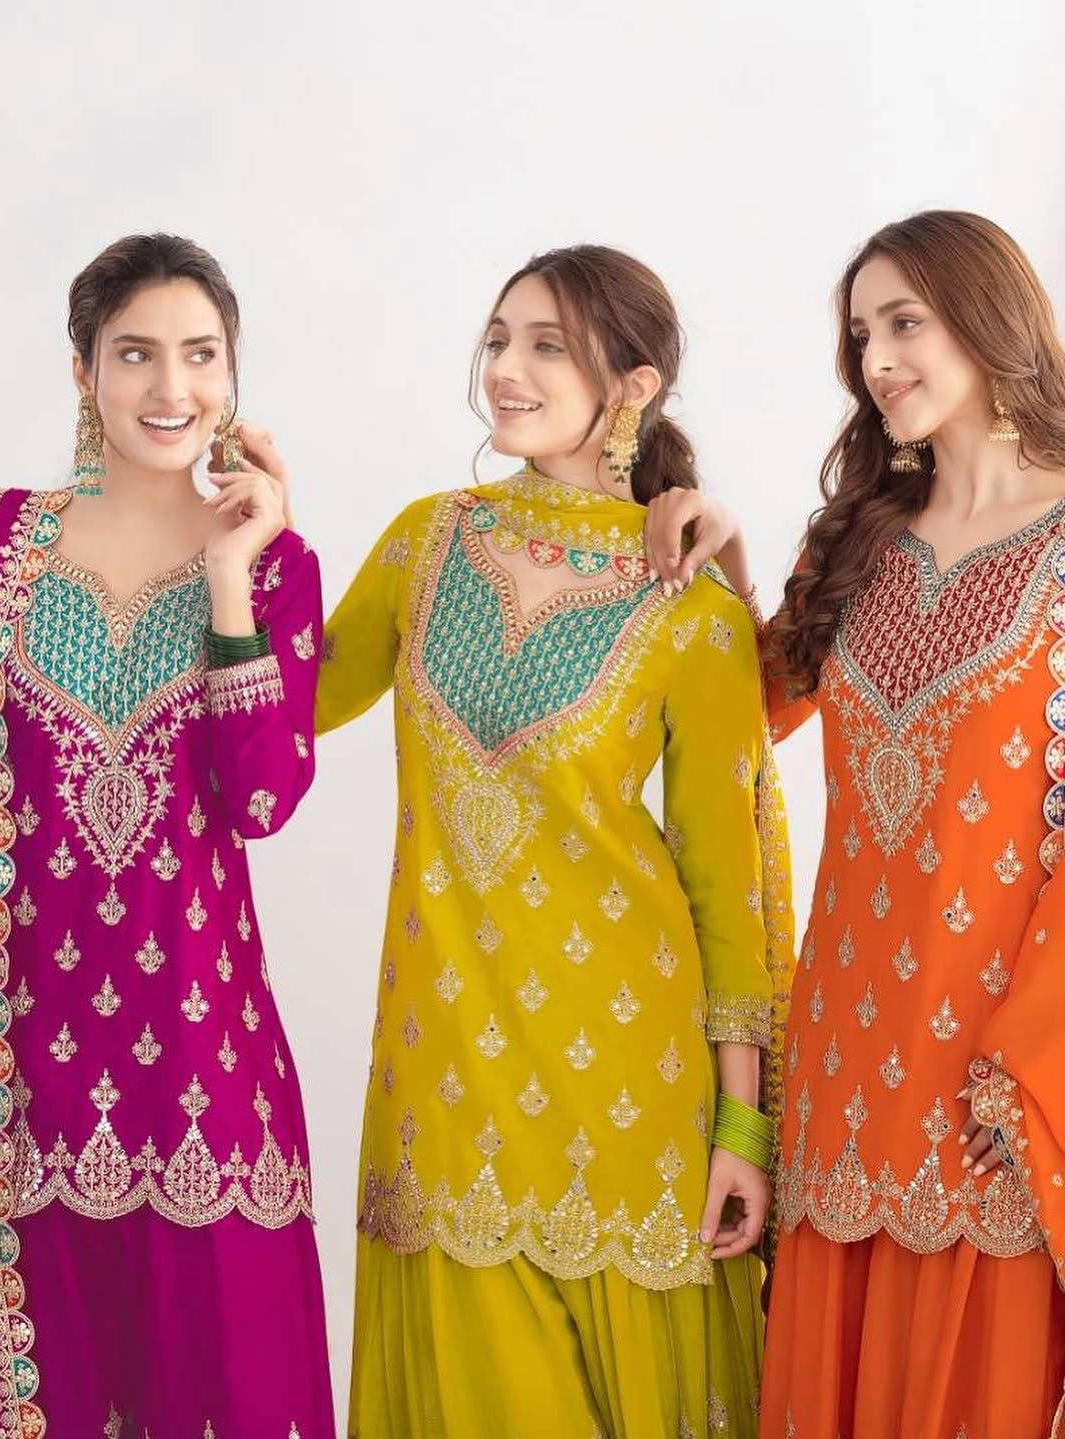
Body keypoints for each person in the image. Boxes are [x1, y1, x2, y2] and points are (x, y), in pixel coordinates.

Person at [317, 244, 795, 1439]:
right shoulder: (425, 542)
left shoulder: (690, 605)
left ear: (632, 387)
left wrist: (742, 1130)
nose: (506, 369)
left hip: (631, 1088)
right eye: (498, 339)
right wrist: (234, 555)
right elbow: (287, 706)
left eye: (546, 346)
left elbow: (723, 886)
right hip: (446, 1073)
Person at [645, 209, 1065, 1438]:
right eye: (860, 334)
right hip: (843, 1059)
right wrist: (729, 562)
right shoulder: (865, 545)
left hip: (991, 1084)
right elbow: (743, 715)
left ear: (988, 318)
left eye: (904, 322)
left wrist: (1031, 1071)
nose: (875, 359)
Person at [0, 233, 336, 1436]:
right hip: (18, 1060)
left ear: (232, 374)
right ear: (83, 369)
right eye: (135, 353)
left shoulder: (278, 567)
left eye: (201, 355)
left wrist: (233, 574)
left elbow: (262, 800)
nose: (170, 387)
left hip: (200, 1054)